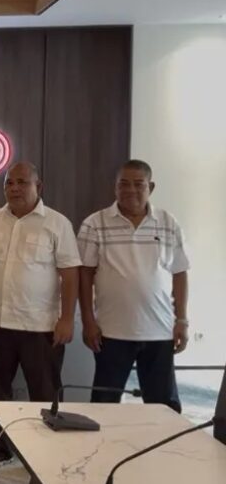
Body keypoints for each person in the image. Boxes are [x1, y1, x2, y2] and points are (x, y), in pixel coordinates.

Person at [0, 162, 81, 473]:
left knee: (45, 394)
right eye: (9, 183)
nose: (15, 188)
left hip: (41, 327)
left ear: (39, 186)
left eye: (22, 182)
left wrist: (66, 319)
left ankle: (47, 456)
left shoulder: (57, 223)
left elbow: (70, 274)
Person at [78, 159, 189, 412]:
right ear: (115, 187)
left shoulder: (168, 223)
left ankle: (164, 440)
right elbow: (85, 274)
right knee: (104, 405)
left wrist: (182, 320)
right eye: (124, 184)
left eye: (138, 184)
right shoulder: (95, 223)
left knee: (164, 406)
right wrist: (88, 321)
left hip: (159, 331)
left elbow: (180, 272)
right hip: (111, 332)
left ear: (151, 187)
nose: (130, 190)